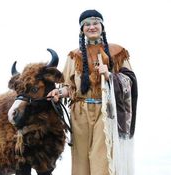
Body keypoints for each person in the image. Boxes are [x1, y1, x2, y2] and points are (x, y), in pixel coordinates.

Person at [47, 9, 138, 175]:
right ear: (82, 30)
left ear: (102, 26)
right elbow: (70, 87)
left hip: (105, 111)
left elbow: (130, 83)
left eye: (95, 23)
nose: (91, 27)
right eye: (86, 24)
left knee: (101, 159)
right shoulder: (74, 56)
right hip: (79, 112)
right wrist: (59, 93)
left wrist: (109, 75)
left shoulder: (117, 52)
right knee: (80, 160)